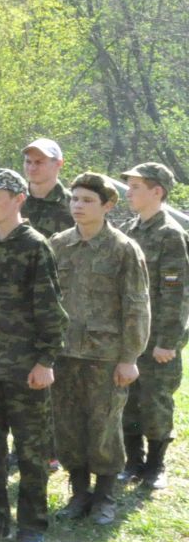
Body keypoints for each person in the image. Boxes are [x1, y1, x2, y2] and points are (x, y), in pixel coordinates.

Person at [0, 168, 65, 542]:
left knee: (32, 452)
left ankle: (32, 525)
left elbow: (52, 310)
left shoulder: (35, 245)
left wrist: (46, 360)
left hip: (26, 369)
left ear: (18, 200)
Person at [48, 173, 150, 526]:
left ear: (108, 206)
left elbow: (136, 305)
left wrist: (129, 357)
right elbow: (46, 302)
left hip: (105, 355)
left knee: (104, 426)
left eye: (87, 200)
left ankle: (105, 496)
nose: (78, 205)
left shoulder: (123, 249)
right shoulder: (58, 245)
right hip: (64, 354)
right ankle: (79, 493)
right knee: (68, 427)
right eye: (74, 199)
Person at [120, 162, 185, 491]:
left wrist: (168, 341)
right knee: (128, 399)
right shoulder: (132, 230)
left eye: (135, 186)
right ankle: (133, 461)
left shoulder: (170, 235)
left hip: (157, 338)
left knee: (156, 401)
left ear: (157, 191)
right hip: (131, 336)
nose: (128, 192)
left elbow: (177, 294)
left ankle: (156, 465)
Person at [22, 138, 74, 239]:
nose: (32, 168)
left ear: (58, 164)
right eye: (28, 162)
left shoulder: (73, 205)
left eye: (38, 162)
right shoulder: (13, 200)